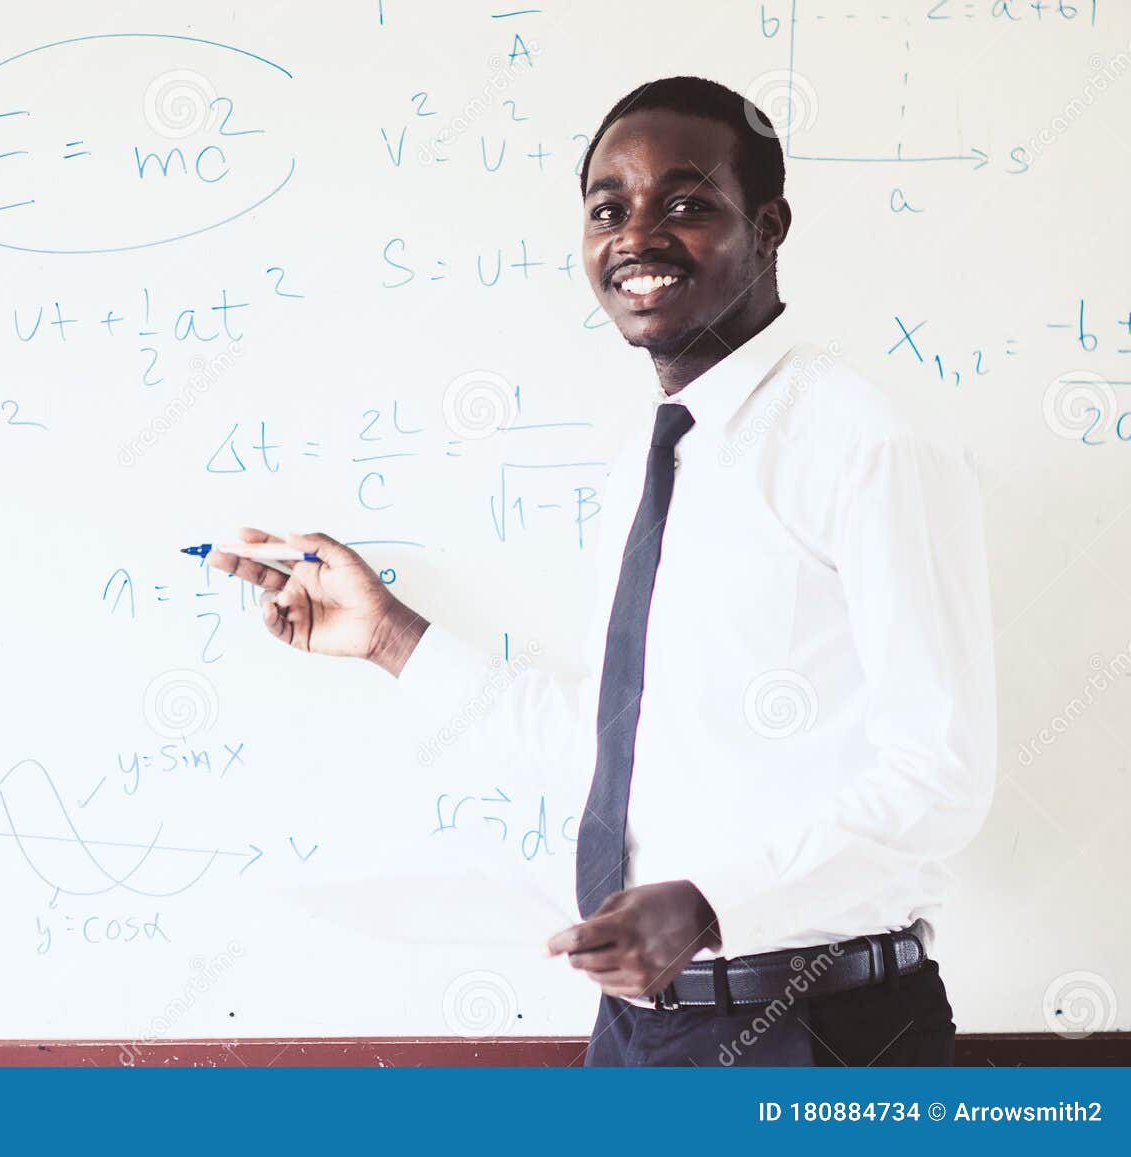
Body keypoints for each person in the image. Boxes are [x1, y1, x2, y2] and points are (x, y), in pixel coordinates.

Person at [208, 76, 995, 1066]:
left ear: (768, 225)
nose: (637, 235)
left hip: (812, 1031)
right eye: (607, 209)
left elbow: (941, 773)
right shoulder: (650, 464)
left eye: (686, 202)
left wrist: (711, 904)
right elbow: (617, 749)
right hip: (641, 1030)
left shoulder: (865, 440)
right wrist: (383, 633)